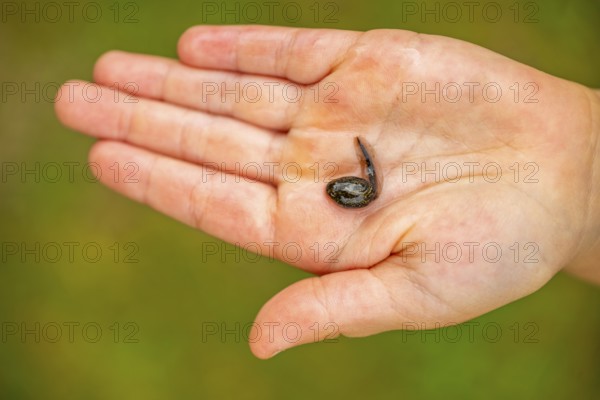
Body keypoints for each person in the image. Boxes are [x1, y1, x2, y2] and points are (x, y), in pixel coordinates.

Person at [54, 25, 600, 359]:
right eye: (351, 186)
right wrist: (583, 170)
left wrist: (581, 174)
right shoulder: (357, 186)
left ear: (352, 187)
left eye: (350, 187)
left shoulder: (359, 186)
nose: (347, 187)